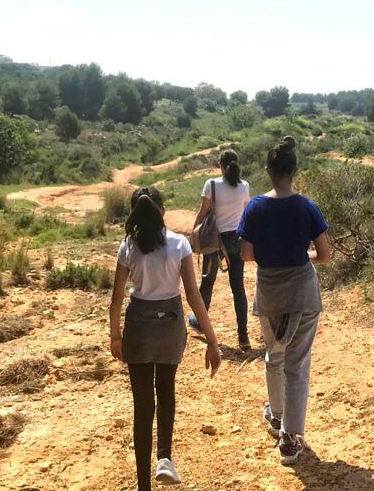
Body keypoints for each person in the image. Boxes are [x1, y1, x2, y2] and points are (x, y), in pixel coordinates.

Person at [110, 187, 221, 490]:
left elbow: (117, 298)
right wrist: (211, 340)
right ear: (162, 212)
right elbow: (193, 296)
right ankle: (165, 458)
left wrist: (115, 335)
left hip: (139, 327)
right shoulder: (179, 244)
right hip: (170, 325)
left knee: (142, 405)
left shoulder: (128, 247)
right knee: (166, 389)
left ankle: (142, 484)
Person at [238, 136, 332, 466]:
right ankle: (290, 440)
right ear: (295, 170)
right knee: (297, 365)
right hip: (303, 294)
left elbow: (247, 255)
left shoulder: (254, 208)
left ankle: (276, 415)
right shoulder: (307, 207)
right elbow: (323, 255)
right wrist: (300, 254)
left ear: (268, 170)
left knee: (273, 354)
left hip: (270, 293)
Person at [187, 149, 252, 349]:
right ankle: (243, 337)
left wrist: (193, 234)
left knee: (207, 282)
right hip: (236, 240)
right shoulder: (244, 186)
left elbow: (202, 213)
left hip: (213, 240)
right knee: (238, 287)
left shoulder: (212, 185)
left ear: (220, 166)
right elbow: (245, 212)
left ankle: (201, 323)